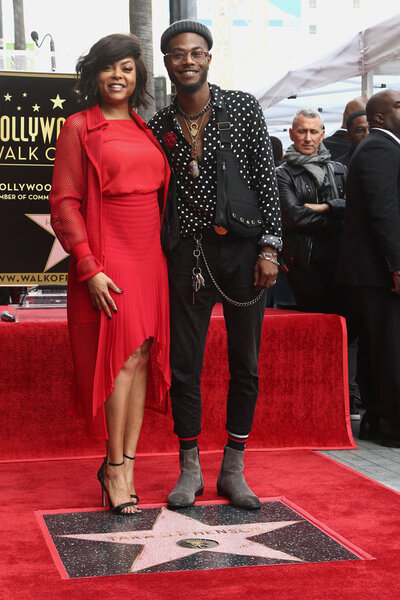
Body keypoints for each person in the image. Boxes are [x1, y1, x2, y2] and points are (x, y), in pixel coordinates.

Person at [149, 20, 281, 510]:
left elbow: (267, 182)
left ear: (209, 57)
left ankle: (233, 467)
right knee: (186, 365)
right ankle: (190, 468)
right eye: (178, 54)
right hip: (189, 254)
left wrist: (270, 248)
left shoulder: (242, 106)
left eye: (196, 52)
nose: (188, 60)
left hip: (245, 253)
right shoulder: (159, 123)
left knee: (245, 364)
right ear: (167, 62)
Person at [49, 34, 171, 514]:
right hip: (110, 257)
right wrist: (88, 266)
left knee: (139, 358)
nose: (118, 75)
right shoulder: (79, 127)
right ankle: (114, 469)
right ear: (93, 75)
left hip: (150, 258)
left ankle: (127, 465)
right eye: (108, 67)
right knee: (120, 363)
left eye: (127, 67)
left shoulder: (145, 128)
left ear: (138, 75)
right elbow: (64, 203)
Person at [276, 108, 360, 419]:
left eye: (313, 132)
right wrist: (339, 219)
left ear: (323, 134)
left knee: (347, 332)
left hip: (343, 260)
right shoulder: (282, 173)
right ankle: (319, 401)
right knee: (316, 333)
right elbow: (295, 216)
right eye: (302, 132)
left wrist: (326, 206)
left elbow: (356, 207)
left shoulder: (339, 169)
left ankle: (347, 399)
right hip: (307, 263)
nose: (308, 138)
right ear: (292, 134)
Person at [337, 89, 400, 447]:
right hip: (378, 273)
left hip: (375, 272)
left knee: (382, 351)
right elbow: (384, 212)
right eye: (399, 105)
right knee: (390, 352)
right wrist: (397, 265)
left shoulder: (382, 146)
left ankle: (378, 422)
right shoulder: (379, 147)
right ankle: (392, 428)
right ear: (379, 117)